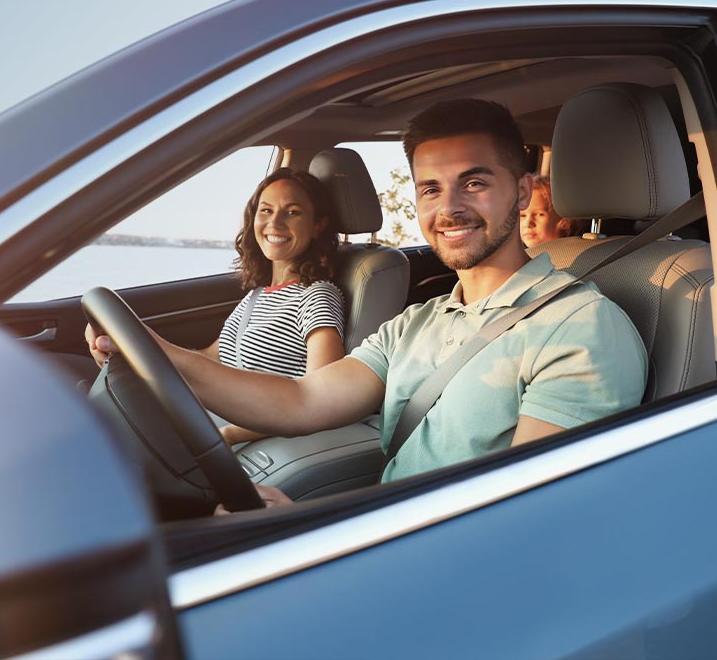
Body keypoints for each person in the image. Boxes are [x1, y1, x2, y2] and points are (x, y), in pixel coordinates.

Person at [88, 99, 648, 511]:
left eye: (473, 183)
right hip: (398, 541)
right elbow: (302, 400)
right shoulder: (419, 321)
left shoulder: (581, 329)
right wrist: (155, 353)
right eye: (430, 188)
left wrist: (312, 539)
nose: (448, 208)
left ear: (523, 192)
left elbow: (525, 520)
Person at [87, 167, 346, 446]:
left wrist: (229, 434)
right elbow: (210, 360)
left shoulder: (317, 296)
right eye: (266, 210)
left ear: (318, 225)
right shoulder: (257, 296)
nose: (275, 223)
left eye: (293, 212)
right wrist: (132, 351)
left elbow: (323, 396)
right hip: (211, 422)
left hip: (244, 438)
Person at [520, 174, 587, 247]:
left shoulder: (570, 255)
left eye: (540, 214)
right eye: (522, 215)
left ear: (564, 221)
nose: (528, 223)